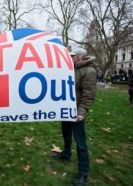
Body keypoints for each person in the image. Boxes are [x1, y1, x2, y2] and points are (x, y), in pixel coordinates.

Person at [53, 48, 97, 186]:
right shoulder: (69, 68)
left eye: (72, 55)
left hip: (76, 112)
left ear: (79, 56)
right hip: (66, 109)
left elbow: (88, 95)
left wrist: (81, 112)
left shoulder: (89, 71)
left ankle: (83, 172)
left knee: (80, 142)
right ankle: (66, 154)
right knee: (66, 134)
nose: (70, 57)